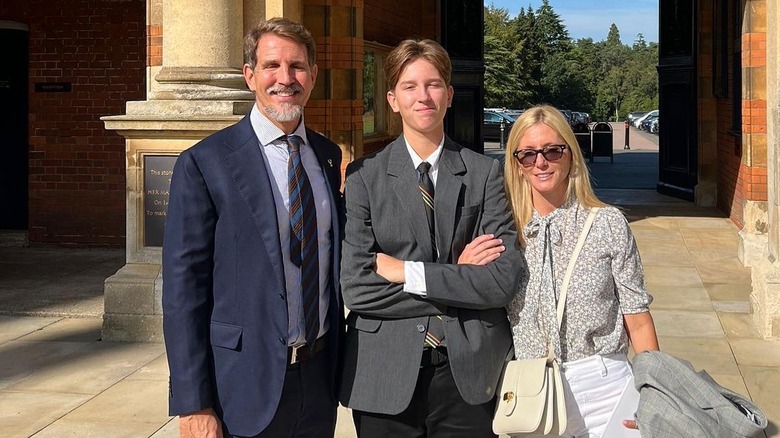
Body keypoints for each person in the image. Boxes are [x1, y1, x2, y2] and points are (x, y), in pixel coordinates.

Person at [162, 17, 344, 438]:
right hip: (240, 386)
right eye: (271, 66)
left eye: (297, 67)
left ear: (313, 76)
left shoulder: (327, 156)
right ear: (250, 76)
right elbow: (182, 290)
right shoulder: (205, 163)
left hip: (318, 381)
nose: (286, 78)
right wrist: (194, 402)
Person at [338, 38, 525, 438]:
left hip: (470, 373)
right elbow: (357, 288)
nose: (423, 96)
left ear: (450, 94)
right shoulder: (363, 178)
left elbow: (501, 281)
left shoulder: (484, 174)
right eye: (410, 86)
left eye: (433, 84)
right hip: (383, 372)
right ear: (392, 99)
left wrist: (409, 272)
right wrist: (458, 276)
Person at [503, 104, 659, 437]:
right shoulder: (505, 232)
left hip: (605, 387)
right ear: (517, 166)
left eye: (553, 151)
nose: (540, 162)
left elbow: (639, 319)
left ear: (571, 155)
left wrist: (653, 395)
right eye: (528, 154)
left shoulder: (608, 223)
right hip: (533, 393)